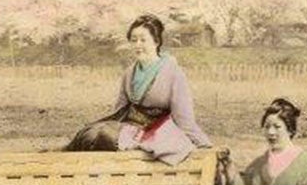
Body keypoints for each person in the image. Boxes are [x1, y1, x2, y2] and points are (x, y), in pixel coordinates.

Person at [68, 13, 212, 164]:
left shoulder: (173, 73)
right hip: (131, 127)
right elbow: (120, 110)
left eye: (143, 40)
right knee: (93, 134)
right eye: (133, 40)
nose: (138, 45)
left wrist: (204, 144)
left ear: (156, 41)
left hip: (161, 129)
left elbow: (184, 119)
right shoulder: (129, 73)